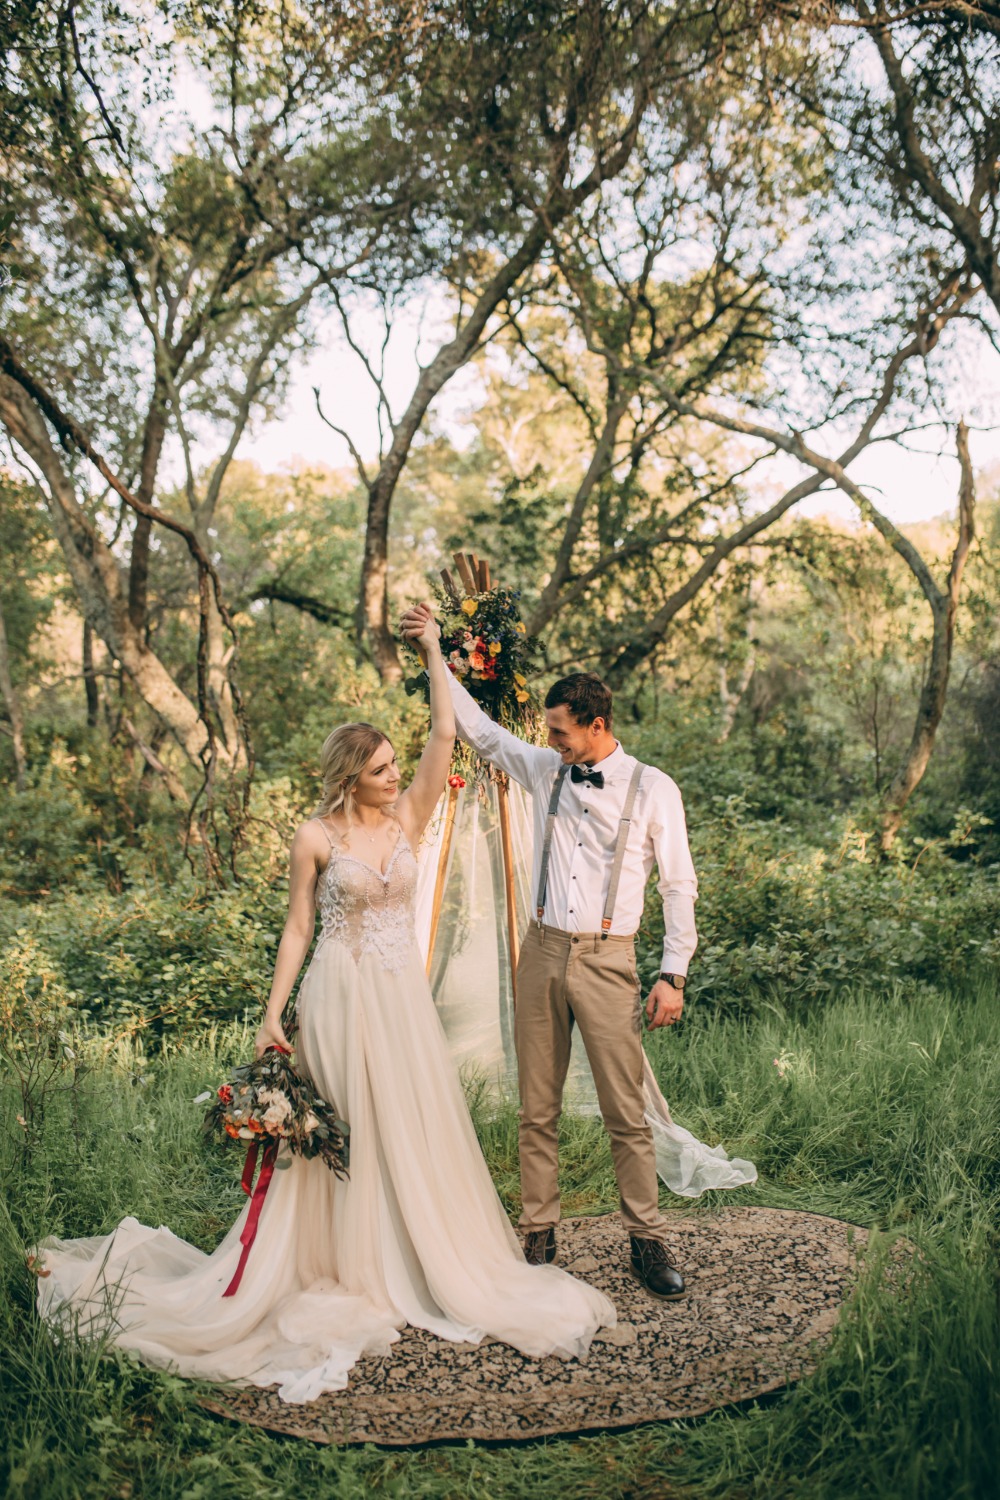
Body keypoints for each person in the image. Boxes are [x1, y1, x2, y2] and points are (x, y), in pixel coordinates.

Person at [34, 612, 614, 1405]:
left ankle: (412, 1254)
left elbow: (445, 734)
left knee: (405, 1121)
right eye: (378, 766)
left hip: (399, 1000)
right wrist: (274, 1013)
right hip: (337, 995)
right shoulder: (315, 836)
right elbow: (299, 928)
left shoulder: (410, 812)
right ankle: (340, 1261)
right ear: (349, 775)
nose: (392, 772)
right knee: (345, 1127)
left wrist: (430, 651)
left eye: (391, 763)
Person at [401, 601, 700, 1300]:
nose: (554, 741)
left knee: (626, 1110)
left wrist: (671, 975)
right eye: (550, 733)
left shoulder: (656, 790)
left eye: (563, 733)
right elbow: (480, 731)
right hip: (538, 952)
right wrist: (433, 651)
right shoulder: (546, 770)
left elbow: (679, 888)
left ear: (598, 726)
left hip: (608, 958)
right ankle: (538, 1235)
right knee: (538, 1108)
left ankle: (647, 1240)